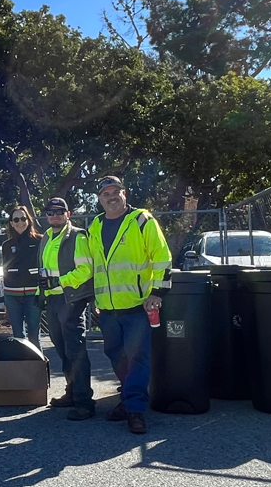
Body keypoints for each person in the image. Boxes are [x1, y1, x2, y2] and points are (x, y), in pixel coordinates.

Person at [87, 176, 172, 434]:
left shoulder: (141, 220)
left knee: (137, 358)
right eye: (105, 194)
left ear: (124, 193)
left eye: (115, 192)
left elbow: (162, 256)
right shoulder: (95, 225)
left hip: (137, 305)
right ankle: (128, 400)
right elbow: (93, 265)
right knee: (116, 355)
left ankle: (135, 411)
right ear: (99, 199)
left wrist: (158, 291)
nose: (111, 197)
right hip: (108, 309)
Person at [37, 197, 95, 421]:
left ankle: (84, 403)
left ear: (68, 214)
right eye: (50, 212)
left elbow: (85, 270)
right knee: (61, 349)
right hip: (52, 300)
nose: (54, 215)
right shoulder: (47, 237)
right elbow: (43, 270)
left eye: (59, 211)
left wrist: (60, 282)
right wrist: (40, 293)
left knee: (75, 350)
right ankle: (71, 392)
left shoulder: (77, 236)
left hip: (71, 298)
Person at [1, 205, 43, 351]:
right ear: (11, 223)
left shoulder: (40, 241)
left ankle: (39, 370)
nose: (20, 222)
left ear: (29, 220)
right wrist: (6, 301)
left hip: (33, 295)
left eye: (23, 218)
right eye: (16, 219)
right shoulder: (6, 245)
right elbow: (5, 271)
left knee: (34, 335)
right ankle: (22, 370)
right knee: (18, 336)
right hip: (12, 296)